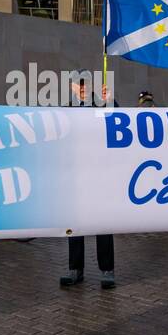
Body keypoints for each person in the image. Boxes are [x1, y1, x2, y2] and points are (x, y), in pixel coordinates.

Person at [61, 75, 116, 289]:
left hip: (99, 174)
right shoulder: (64, 109)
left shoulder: (104, 105)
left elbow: (120, 122)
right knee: (74, 225)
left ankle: (107, 270)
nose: (83, 88)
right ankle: (75, 269)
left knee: (103, 223)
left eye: (86, 84)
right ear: (72, 87)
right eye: (79, 84)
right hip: (75, 175)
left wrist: (111, 101)